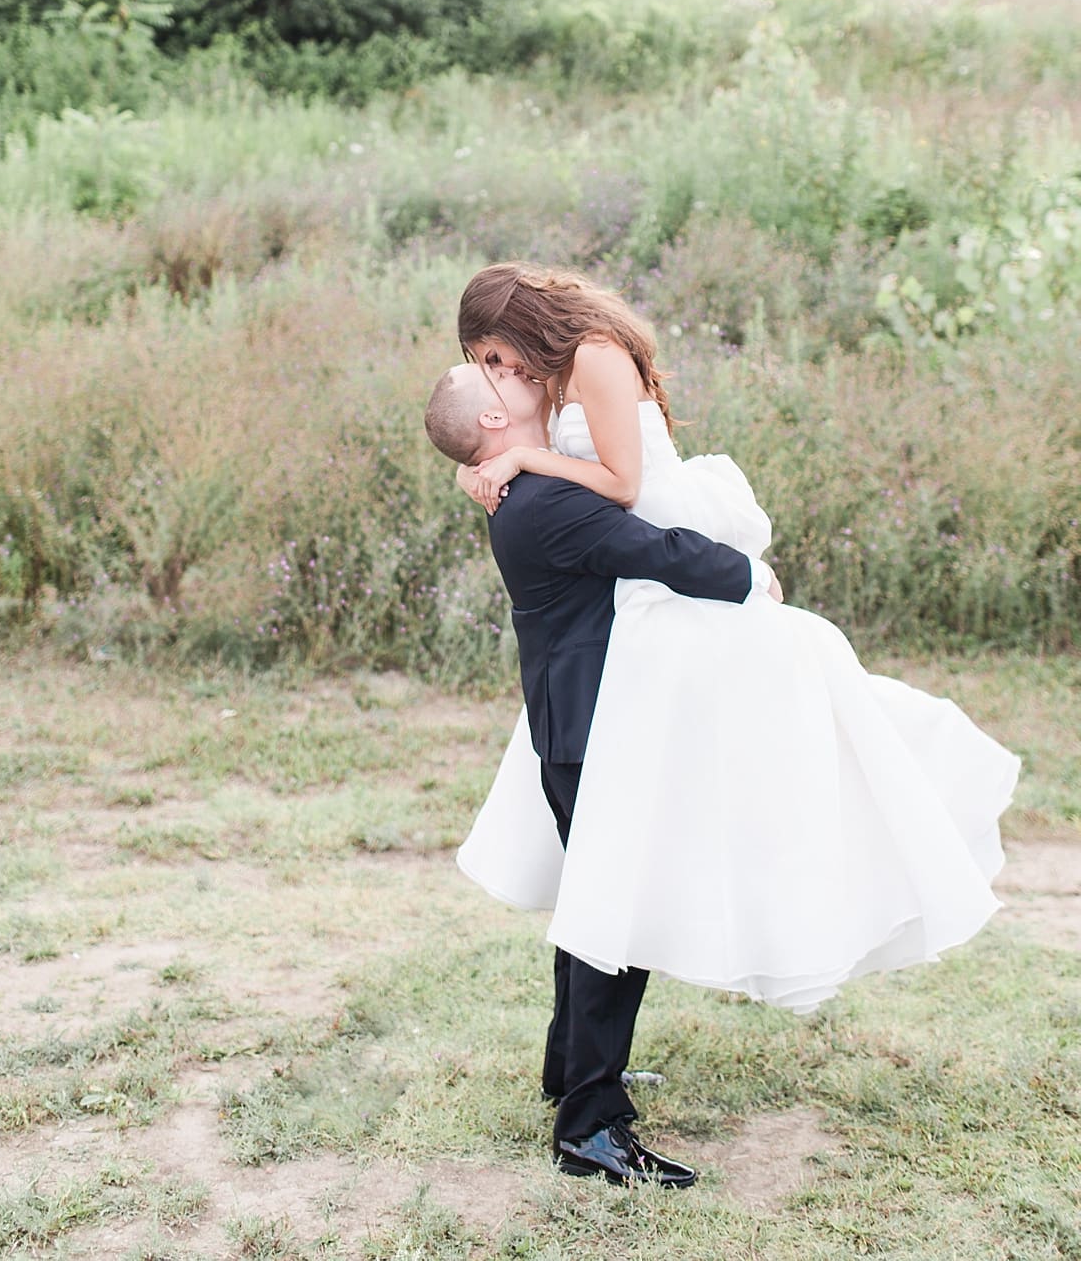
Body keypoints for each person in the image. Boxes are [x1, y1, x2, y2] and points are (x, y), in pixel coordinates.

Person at [450, 262, 1019, 1018]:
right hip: (630, 562)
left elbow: (621, 485)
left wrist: (520, 457)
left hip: (660, 520)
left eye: (493, 354)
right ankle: (588, 1068)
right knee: (625, 836)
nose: (497, 373)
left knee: (776, 696)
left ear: (518, 323)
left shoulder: (592, 354)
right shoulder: (555, 369)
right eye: (487, 366)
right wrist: (488, 464)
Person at [423, 359, 777, 1186]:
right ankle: (591, 1127)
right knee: (617, 917)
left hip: (576, 724)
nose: (515, 376)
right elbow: (658, 550)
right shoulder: (548, 503)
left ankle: (572, 1075)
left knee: (595, 905)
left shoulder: (529, 488)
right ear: (493, 425)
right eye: (497, 377)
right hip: (591, 732)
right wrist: (751, 577)